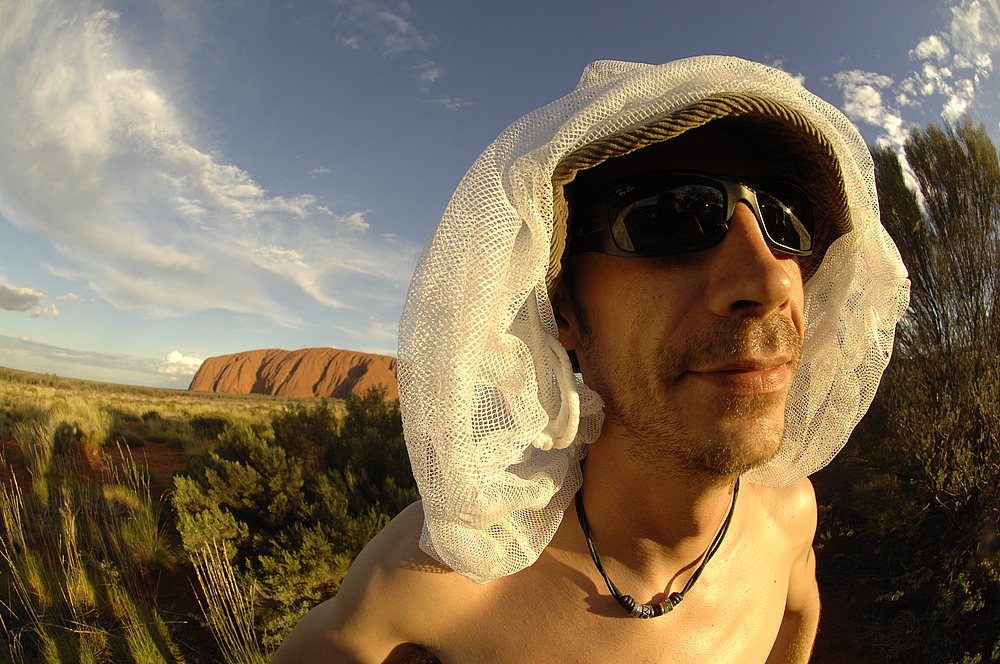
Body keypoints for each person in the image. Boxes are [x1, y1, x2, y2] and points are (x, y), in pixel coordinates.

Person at [273, 56, 910, 663]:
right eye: (668, 218)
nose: (770, 280)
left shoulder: (791, 518)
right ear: (566, 314)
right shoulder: (435, 580)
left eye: (787, 222)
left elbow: (799, 613)